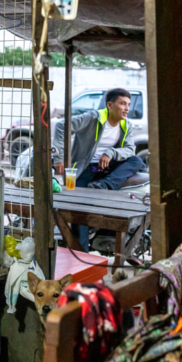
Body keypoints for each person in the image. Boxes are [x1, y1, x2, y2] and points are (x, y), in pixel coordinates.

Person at [53, 88, 144, 251]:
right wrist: (58, 158)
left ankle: (104, 185)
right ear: (109, 105)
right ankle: (82, 252)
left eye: (128, 104)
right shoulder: (92, 118)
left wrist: (111, 152)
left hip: (108, 167)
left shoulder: (126, 124)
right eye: (122, 104)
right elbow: (61, 126)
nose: (127, 108)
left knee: (136, 160)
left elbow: (130, 149)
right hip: (86, 167)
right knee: (79, 208)